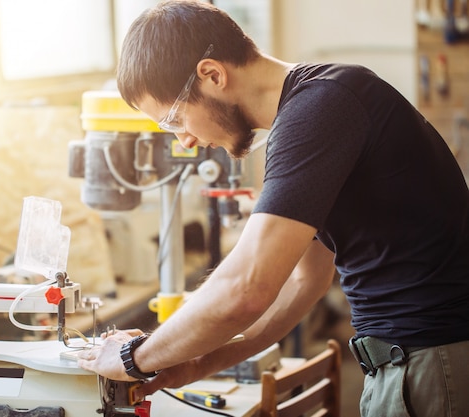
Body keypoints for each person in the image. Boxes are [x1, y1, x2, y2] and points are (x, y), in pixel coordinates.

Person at [77, 1, 469, 416]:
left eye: (175, 121)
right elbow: (306, 281)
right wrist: (194, 361)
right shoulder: (320, 103)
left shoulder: (319, 110)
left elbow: (246, 289)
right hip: (413, 359)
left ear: (212, 75)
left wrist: (132, 357)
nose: (184, 141)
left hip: (428, 362)